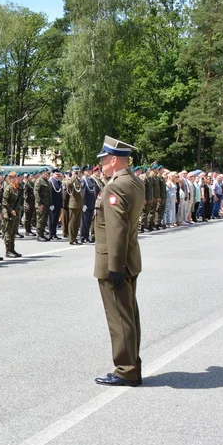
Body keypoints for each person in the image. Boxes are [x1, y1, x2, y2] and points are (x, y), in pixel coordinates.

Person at [92, 137, 145, 387]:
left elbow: (117, 229)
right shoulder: (133, 181)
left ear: (113, 160)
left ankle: (126, 369)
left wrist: (114, 266)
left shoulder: (115, 187)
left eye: (103, 160)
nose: (101, 165)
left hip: (115, 261)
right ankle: (132, 362)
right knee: (129, 314)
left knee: (119, 318)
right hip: (130, 258)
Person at [1, 171, 22, 258]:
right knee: (8, 233)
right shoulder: (8, 188)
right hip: (9, 213)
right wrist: (10, 210)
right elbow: (4, 202)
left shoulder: (17, 188)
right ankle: (8, 250)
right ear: (10, 179)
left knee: (13, 232)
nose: (17, 179)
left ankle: (12, 249)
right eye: (14, 177)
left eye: (17, 177)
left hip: (16, 212)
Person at [80, 167, 98, 243]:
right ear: (84, 172)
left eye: (90, 171)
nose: (89, 172)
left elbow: (94, 193)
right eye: (87, 171)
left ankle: (87, 236)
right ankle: (83, 236)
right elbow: (83, 193)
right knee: (84, 221)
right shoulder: (83, 181)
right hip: (86, 204)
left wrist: (95, 204)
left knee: (89, 222)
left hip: (91, 203)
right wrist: (83, 204)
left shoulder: (92, 180)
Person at [66, 167, 83, 244]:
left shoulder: (78, 180)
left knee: (77, 223)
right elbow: (68, 184)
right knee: (72, 222)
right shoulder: (69, 179)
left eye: (78, 172)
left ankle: (75, 237)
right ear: (72, 172)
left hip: (79, 204)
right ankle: (71, 239)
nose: (77, 173)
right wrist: (73, 176)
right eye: (75, 171)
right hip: (73, 204)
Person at [47, 171, 63, 240]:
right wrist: (51, 204)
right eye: (57, 174)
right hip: (53, 203)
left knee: (56, 219)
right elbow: (49, 194)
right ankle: (51, 233)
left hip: (58, 203)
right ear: (53, 174)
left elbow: (60, 193)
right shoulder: (51, 182)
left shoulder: (59, 182)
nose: (58, 175)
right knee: (52, 219)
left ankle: (54, 233)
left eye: (59, 174)